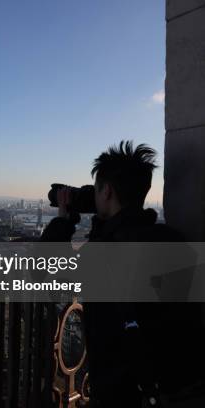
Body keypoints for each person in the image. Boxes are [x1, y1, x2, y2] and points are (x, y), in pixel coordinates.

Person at [41, 141, 205, 407]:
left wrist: (64, 218)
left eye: (96, 190)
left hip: (123, 393)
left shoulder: (105, 252)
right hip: (180, 389)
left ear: (106, 191)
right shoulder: (173, 241)